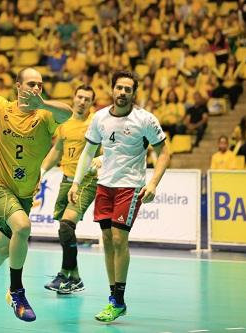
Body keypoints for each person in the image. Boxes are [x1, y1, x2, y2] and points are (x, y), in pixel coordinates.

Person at [0, 68, 72, 321]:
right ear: (18, 86)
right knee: (22, 227)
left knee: (2, 249)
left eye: (40, 85)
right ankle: (17, 292)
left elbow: (68, 112)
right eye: (31, 84)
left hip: (24, 195)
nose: (36, 89)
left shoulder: (45, 115)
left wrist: (44, 104)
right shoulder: (1, 107)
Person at [68, 70, 170, 322]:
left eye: (128, 89)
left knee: (118, 237)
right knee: (106, 238)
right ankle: (114, 296)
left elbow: (165, 152)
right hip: (105, 185)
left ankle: (118, 300)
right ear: (112, 90)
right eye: (119, 88)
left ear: (134, 93)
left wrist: (153, 183)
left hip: (130, 186)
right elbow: (88, 152)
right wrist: (76, 182)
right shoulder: (100, 118)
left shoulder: (145, 119)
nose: (123, 92)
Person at [41, 85, 101, 294]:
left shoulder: (96, 122)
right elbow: (57, 150)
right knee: (65, 231)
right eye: (80, 97)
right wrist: (42, 171)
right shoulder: (64, 122)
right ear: (73, 98)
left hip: (86, 181)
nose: (82, 101)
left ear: (92, 103)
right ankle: (75, 278)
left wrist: (100, 161)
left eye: (87, 99)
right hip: (65, 180)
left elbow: (107, 150)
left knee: (66, 225)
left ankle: (63, 274)